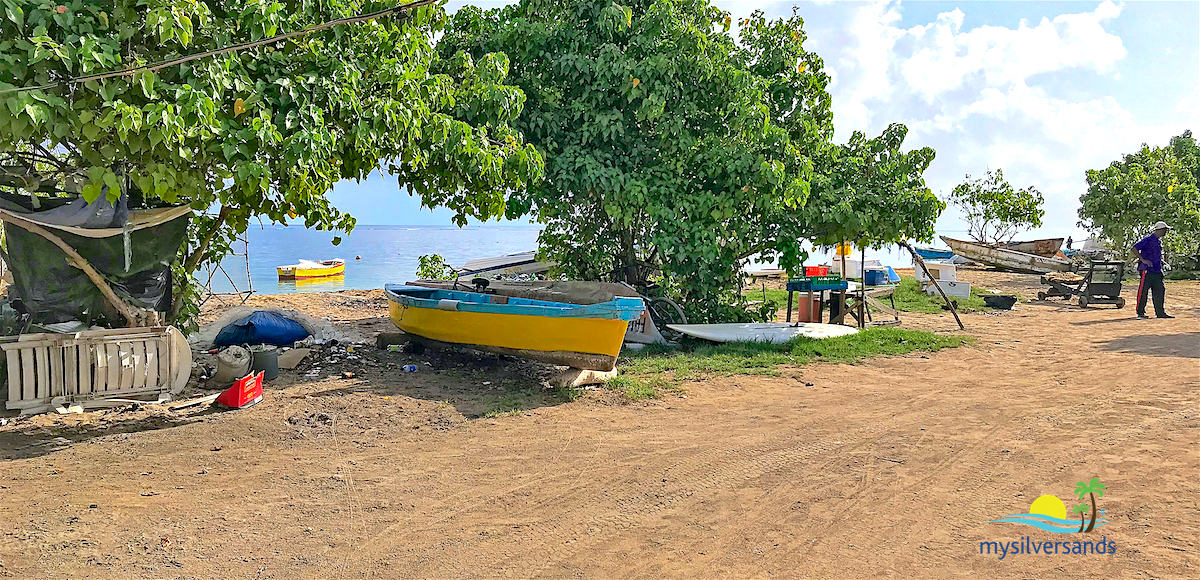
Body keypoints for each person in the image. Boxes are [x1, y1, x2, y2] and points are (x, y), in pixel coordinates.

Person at [1132, 221, 1174, 319]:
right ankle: (1140, 313)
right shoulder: (1148, 239)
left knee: (1159, 291)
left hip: (1157, 270)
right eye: (1165, 230)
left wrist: (1163, 263)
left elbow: (1155, 255)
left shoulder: (1158, 241)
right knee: (1143, 291)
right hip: (1146, 270)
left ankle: (1160, 313)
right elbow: (1134, 248)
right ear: (1160, 229)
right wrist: (1142, 260)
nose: (1165, 232)